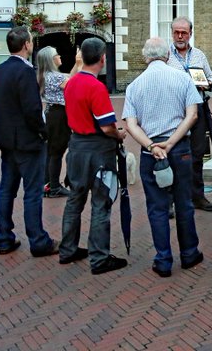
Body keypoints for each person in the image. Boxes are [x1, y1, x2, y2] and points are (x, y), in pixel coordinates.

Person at [123, 37, 204, 277]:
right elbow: (192, 115)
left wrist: (152, 145)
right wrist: (170, 143)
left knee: (157, 208)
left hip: (151, 152)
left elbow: (130, 124)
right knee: (184, 204)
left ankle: (164, 259)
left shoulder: (135, 85)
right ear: (168, 55)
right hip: (179, 149)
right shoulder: (182, 79)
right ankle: (189, 253)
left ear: (145, 56)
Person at [59, 37, 128, 275]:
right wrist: (119, 135)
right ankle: (99, 258)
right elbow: (107, 126)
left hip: (76, 146)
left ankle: (67, 248)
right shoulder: (96, 87)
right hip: (97, 150)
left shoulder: (71, 82)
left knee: (74, 200)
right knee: (101, 203)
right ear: (102, 58)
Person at [0, 26, 57, 257]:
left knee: (6, 189)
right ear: (27, 45)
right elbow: (32, 109)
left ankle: (4, 238)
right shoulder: (25, 72)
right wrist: (43, 132)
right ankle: (38, 241)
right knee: (32, 192)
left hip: (6, 140)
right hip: (28, 141)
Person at [166, 17, 212, 212]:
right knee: (172, 153)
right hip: (174, 111)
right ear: (172, 33)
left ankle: (197, 196)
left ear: (190, 33)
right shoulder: (165, 56)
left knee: (197, 154)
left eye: (184, 32)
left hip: (197, 109)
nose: (180, 36)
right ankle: (170, 200)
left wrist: (209, 84)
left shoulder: (198, 55)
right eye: (176, 32)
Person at [36, 46, 81, 198]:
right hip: (59, 116)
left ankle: (47, 184)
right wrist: (80, 64)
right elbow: (74, 83)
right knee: (56, 152)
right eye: (56, 54)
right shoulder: (54, 77)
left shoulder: (48, 75)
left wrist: (77, 63)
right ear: (51, 59)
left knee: (51, 151)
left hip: (52, 114)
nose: (59, 56)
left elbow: (70, 78)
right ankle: (54, 187)